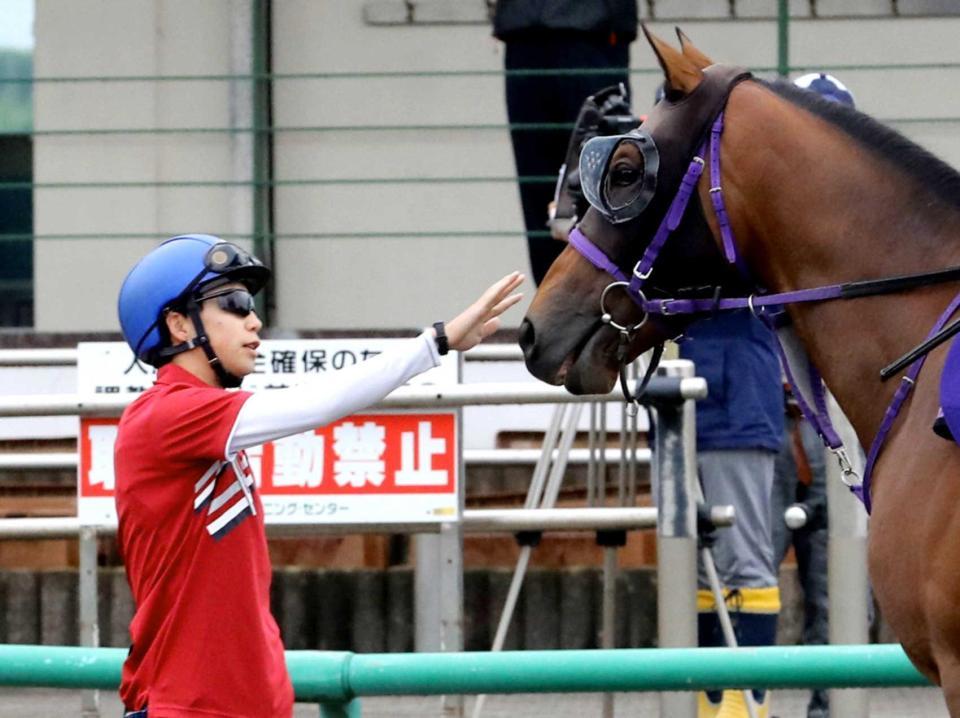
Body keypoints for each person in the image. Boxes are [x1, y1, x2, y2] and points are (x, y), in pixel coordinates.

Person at [113, 233, 523, 717]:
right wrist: (436, 341)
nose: (254, 320)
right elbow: (316, 403)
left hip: (248, 699)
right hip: (184, 702)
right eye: (234, 303)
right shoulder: (164, 415)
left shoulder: (203, 420)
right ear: (179, 324)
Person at [769, 71, 857, 718]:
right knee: (748, 571)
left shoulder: (871, 227)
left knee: (837, 582)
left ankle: (830, 705)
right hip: (772, 419)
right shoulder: (757, 214)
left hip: (840, 424)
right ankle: (746, 700)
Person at [492, 0, 637, 286]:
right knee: (538, 187)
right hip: (523, 30)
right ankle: (552, 303)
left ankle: (607, 298)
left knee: (600, 180)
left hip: (593, 29)